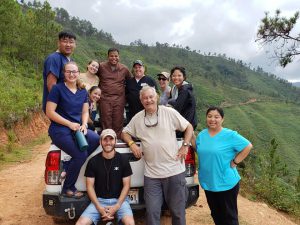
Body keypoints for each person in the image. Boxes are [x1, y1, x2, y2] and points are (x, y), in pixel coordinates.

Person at [121, 85, 193, 225]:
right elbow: (125, 133)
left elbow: (188, 127)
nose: (148, 100)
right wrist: (132, 144)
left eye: (151, 97)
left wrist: (185, 145)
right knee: (152, 213)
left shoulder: (169, 112)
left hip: (174, 172)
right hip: (152, 176)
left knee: (178, 212)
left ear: (156, 97)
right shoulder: (138, 118)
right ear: (141, 101)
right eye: (145, 98)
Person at [46, 61, 99, 198]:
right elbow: (50, 112)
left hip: (76, 129)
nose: (71, 74)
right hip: (60, 129)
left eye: (74, 71)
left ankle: (68, 166)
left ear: (78, 73)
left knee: (95, 139)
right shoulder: (57, 89)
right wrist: (69, 124)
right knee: (80, 154)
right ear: (64, 73)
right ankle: (68, 187)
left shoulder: (82, 92)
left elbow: (85, 112)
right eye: (68, 71)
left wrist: (84, 125)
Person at [192, 106, 253, 225]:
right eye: (209, 116)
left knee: (229, 218)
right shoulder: (202, 135)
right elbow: (199, 150)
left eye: (216, 117)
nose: (212, 119)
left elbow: (248, 146)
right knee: (216, 214)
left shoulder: (230, 135)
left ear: (222, 119)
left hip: (226, 183)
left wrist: (235, 161)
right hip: (209, 182)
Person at [76, 129, 135, 225]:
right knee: (80, 223)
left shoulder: (123, 160)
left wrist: (116, 206)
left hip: (120, 201)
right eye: (105, 139)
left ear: (115, 141)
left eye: (111, 139)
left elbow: (127, 185)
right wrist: (99, 207)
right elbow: (89, 186)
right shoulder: (93, 161)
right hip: (99, 201)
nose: (108, 142)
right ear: (100, 142)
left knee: (130, 223)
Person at [97, 48, 132, 138]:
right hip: (104, 98)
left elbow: (130, 81)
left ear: (119, 57)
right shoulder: (101, 67)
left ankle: (116, 140)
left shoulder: (124, 69)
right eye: (111, 56)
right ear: (108, 57)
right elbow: (93, 76)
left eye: (116, 56)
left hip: (119, 99)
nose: (114, 58)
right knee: (105, 120)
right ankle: (107, 140)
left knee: (118, 120)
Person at [42, 31, 76, 112]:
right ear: (58, 43)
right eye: (65, 41)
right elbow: (51, 85)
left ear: (75, 45)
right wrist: (61, 105)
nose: (68, 45)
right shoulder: (54, 58)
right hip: (57, 107)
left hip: (67, 104)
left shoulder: (70, 60)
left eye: (71, 42)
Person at [168, 66, 197, 137]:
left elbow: (177, 108)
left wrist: (169, 104)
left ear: (184, 77)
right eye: (174, 75)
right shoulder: (175, 89)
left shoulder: (184, 90)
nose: (176, 78)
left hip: (187, 122)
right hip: (183, 121)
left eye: (179, 75)